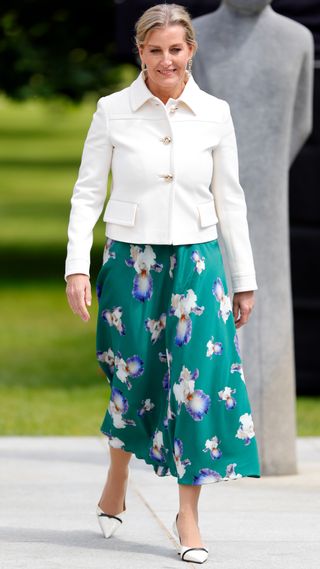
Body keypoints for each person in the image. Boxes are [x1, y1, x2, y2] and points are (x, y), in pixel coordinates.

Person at [65, 3, 261, 564]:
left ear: (191, 50)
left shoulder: (216, 113)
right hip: (132, 265)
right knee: (135, 377)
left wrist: (243, 279)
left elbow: (232, 200)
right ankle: (117, 476)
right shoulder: (112, 111)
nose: (166, 60)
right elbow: (86, 194)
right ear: (141, 52)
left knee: (196, 385)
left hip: (198, 266)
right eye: (155, 50)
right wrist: (77, 265)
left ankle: (189, 516)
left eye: (176, 49)